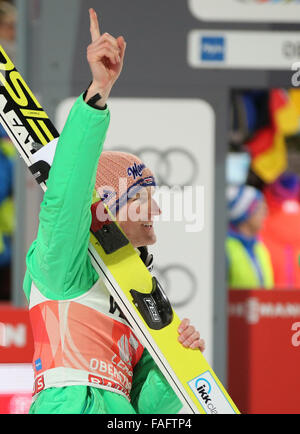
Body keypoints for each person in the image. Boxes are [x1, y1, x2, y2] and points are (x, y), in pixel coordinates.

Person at [24, 9, 205, 414]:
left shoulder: (135, 286)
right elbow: (66, 195)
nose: (156, 208)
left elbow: (145, 406)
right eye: (142, 196)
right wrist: (97, 95)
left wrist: (174, 367)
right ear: (108, 206)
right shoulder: (62, 266)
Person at [226, 184, 274, 289]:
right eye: (260, 208)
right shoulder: (225, 249)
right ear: (245, 213)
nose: (265, 213)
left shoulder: (259, 247)